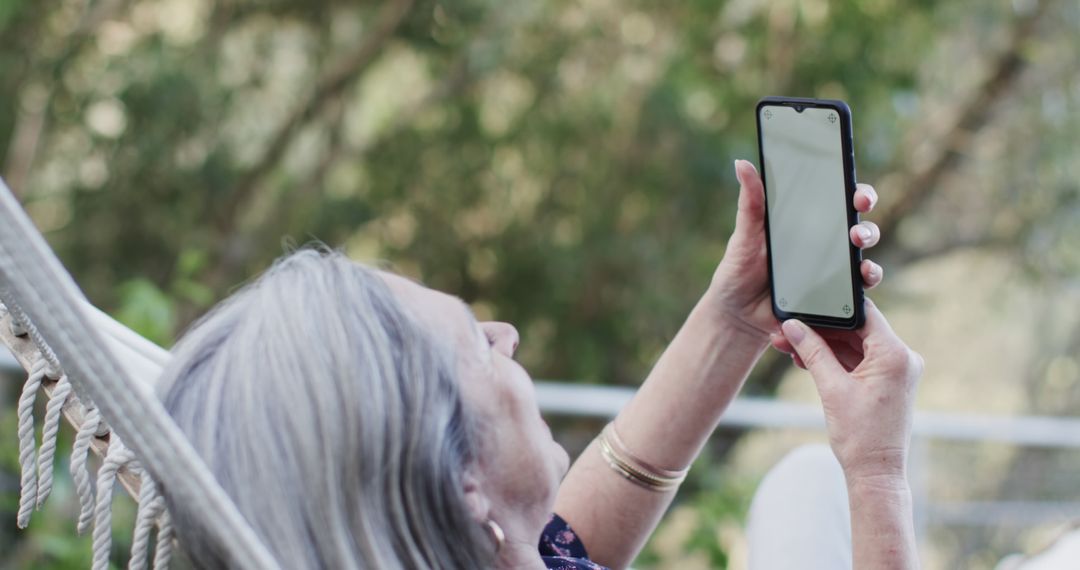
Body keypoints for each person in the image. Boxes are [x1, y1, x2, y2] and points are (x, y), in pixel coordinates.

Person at [156, 160, 923, 569]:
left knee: (805, 483)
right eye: (472, 341)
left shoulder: (478, 552)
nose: (506, 335)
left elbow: (571, 540)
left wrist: (733, 313)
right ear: (463, 490)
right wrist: (879, 473)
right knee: (822, 484)